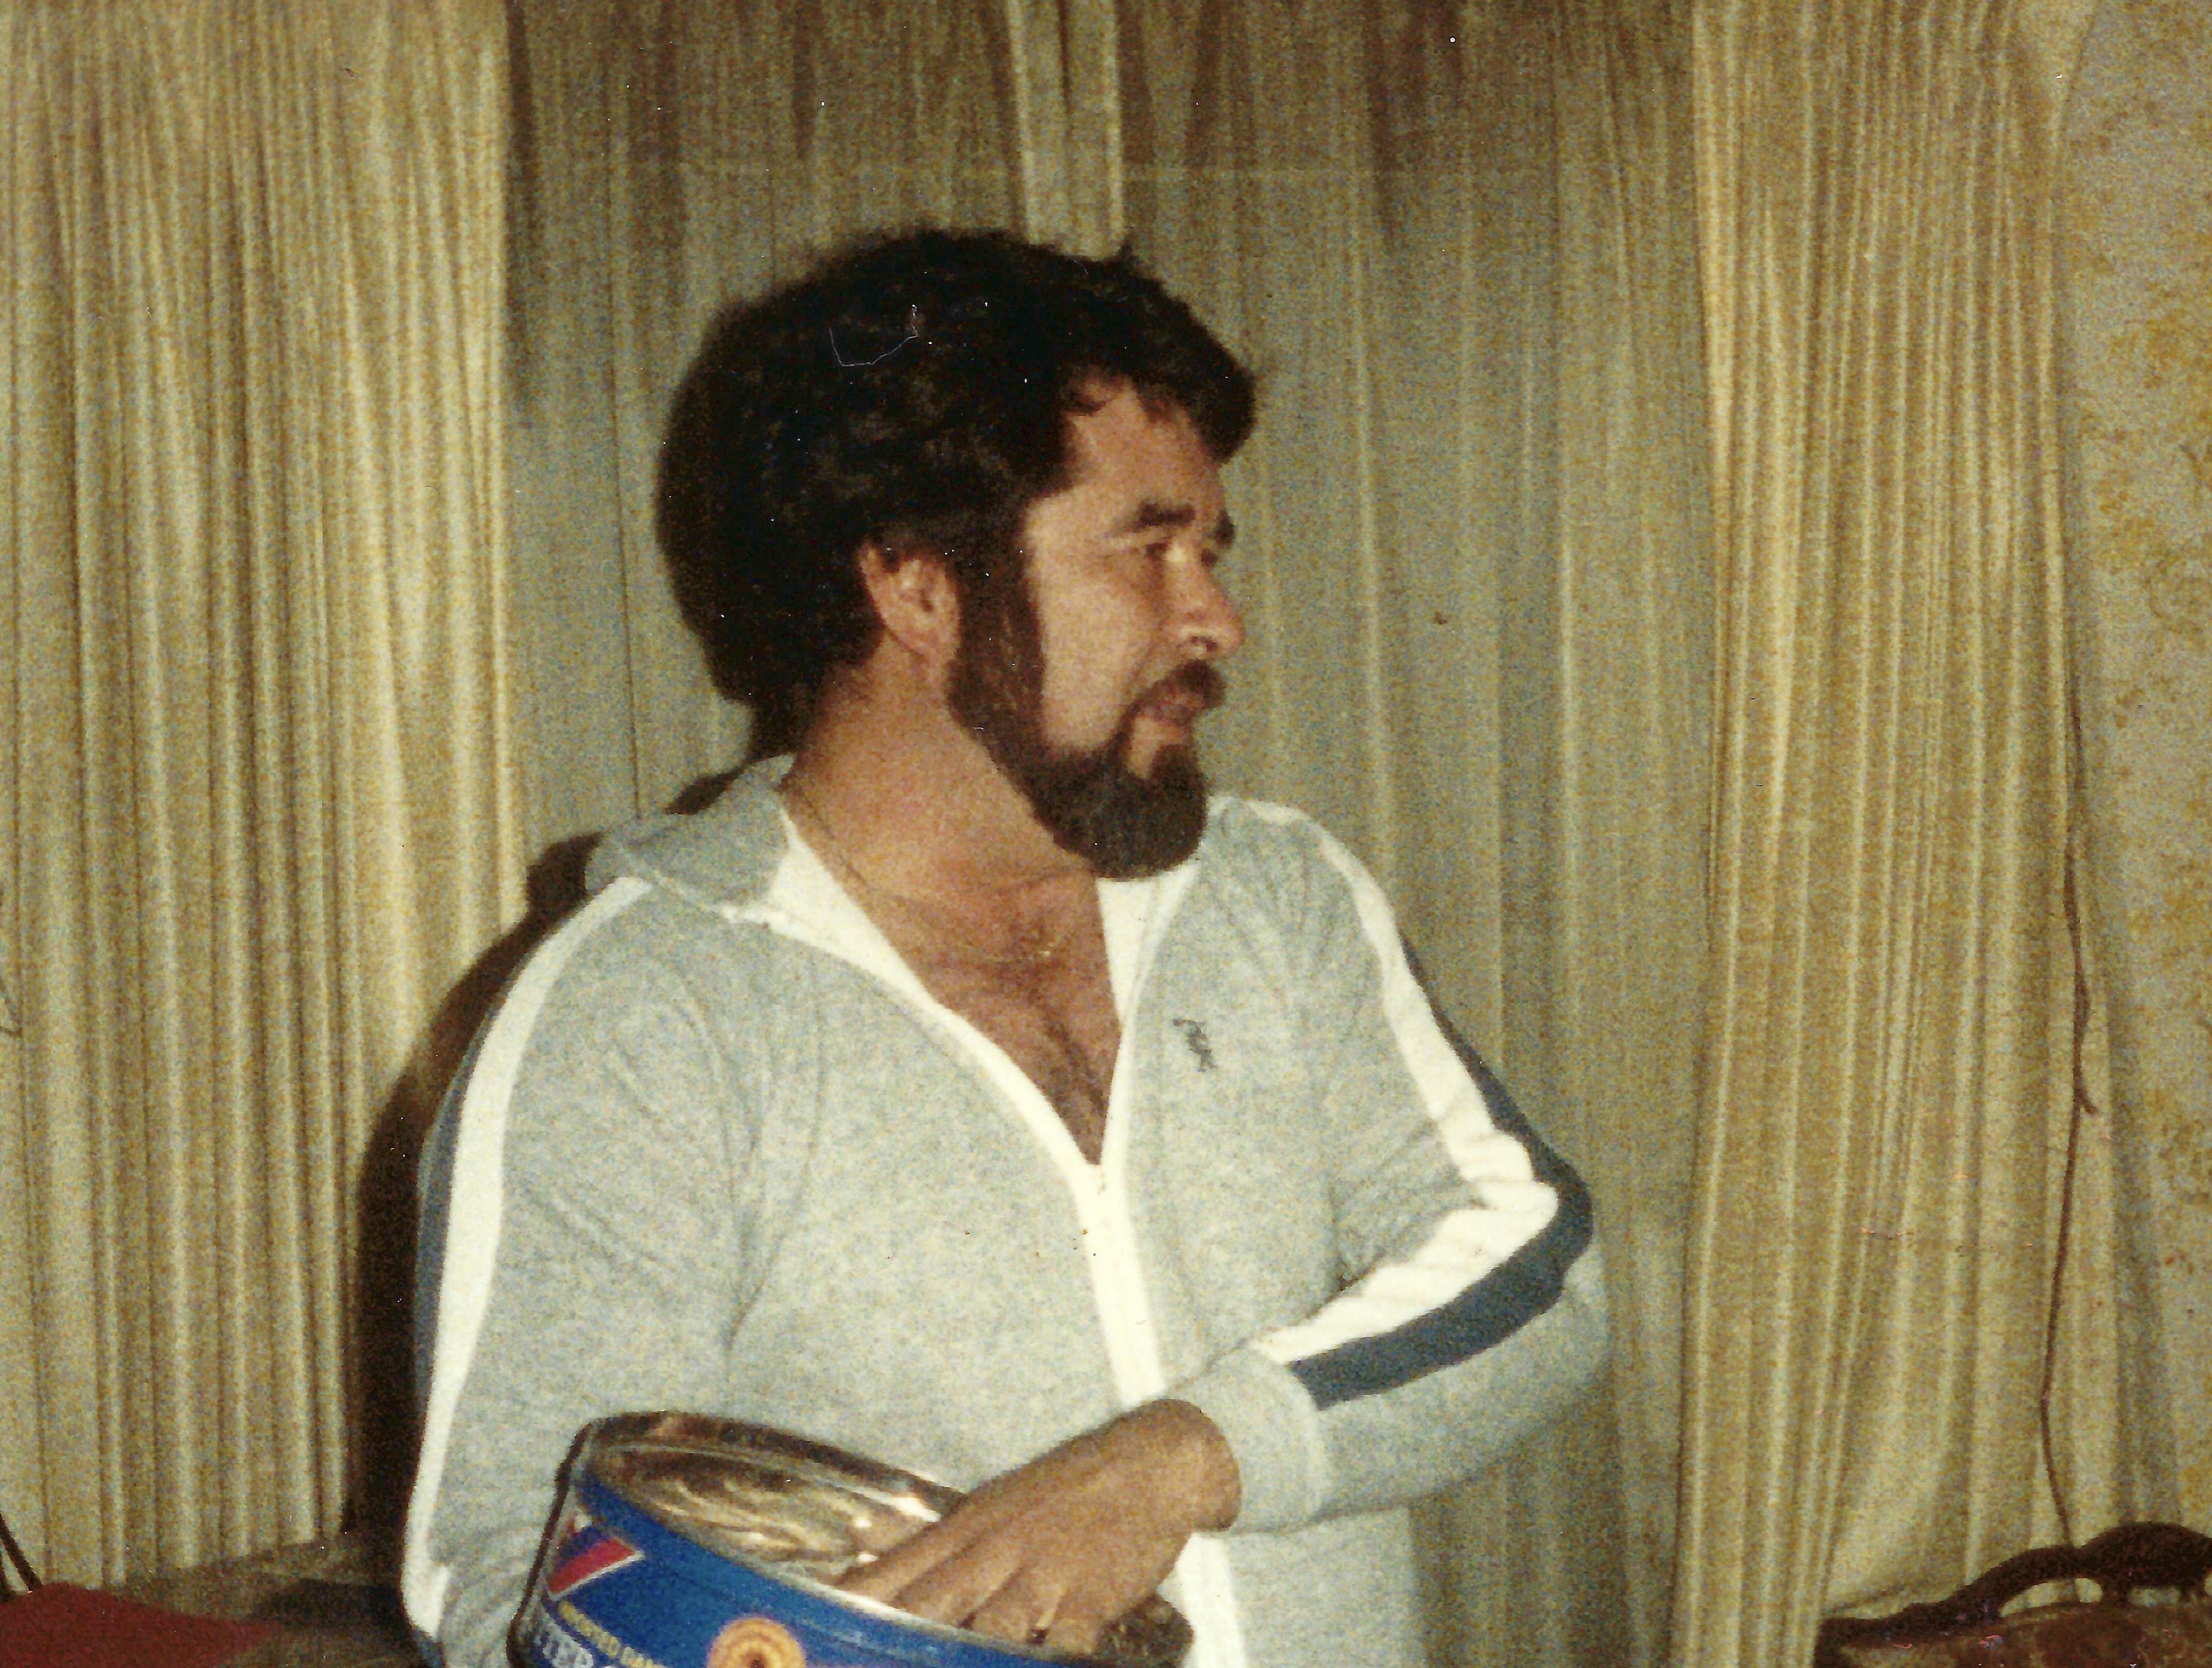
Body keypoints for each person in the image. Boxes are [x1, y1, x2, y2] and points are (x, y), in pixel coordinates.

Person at [401, 228, 1606, 1668]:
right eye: (1146, 548)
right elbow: (516, 1580)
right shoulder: (641, 1017)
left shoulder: (1276, 899)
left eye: (1209, 552)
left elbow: (1533, 1262)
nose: (1216, 615)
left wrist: (1179, 1457)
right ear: (918, 589)